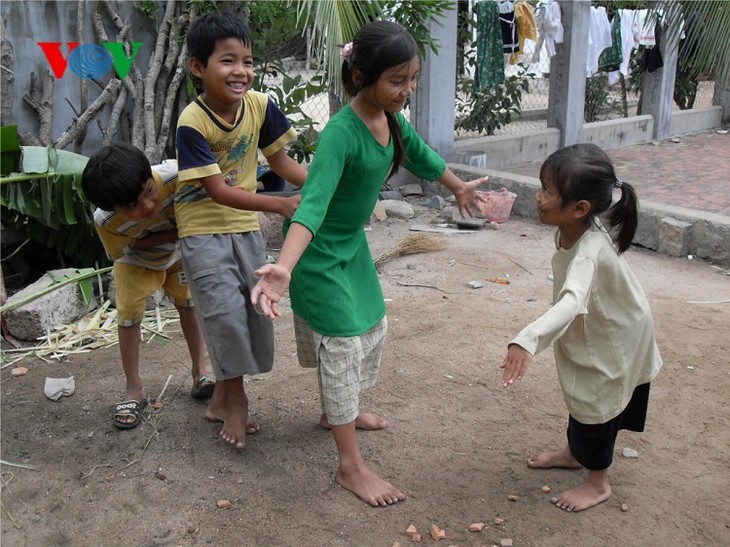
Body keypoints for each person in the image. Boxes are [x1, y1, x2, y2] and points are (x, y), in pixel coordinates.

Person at [250, 20, 488, 507]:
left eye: (413, 78)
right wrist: (285, 267)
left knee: (371, 328)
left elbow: (421, 156)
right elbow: (312, 205)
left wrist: (457, 185)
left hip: (351, 250)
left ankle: (338, 411)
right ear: (361, 77)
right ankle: (350, 466)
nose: (409, 90)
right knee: (340, 344)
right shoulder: (341, 133)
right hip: (317, 255)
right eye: (398, 80)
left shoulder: (391, 120)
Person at [499, 143, 663, 512]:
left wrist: (526, 340)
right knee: (581, 392)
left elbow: (572, 300)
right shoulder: (576, 228)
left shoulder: (588, 250)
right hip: (602, 327)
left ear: (580, 208)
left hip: (616, 337)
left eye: (547, 191)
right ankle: (575, 453)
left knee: (597, 406)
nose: (537, 197)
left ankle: (597, 483)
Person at [175, 12, 307, 451]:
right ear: (199, 68)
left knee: (252, 314)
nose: (241, 72)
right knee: (222, 315)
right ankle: (237, 401)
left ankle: (219, 399)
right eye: (228, 61)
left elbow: (282, 164)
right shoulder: (192, 122)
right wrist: (281, 203)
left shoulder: (262, 106)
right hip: (202, 230)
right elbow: (215, 190)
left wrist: (324, 184)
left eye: (248, 61)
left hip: (245, 228)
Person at [81, 143, 213, 430]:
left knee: (190, 307)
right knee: (128, 319)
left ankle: (200, 373)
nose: (148, 206)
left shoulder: (177, 177)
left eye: (148, 193)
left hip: (178, 255)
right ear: (113, 208)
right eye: (132, 207)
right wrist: (178, 231)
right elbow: (135, 244)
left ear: (150, 177)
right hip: (136, 262)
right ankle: (134, 389)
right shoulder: (106, 221)